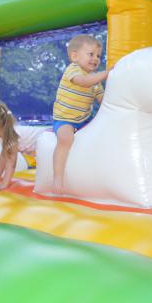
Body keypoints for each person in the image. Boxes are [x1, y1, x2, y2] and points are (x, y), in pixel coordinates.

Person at [51, 34, 107, 191]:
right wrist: (107, 73)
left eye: (98, 56)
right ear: (75, 56)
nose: (95, 59)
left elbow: (103, 101)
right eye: (91, 54)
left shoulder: (96, 81)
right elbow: (84, 82)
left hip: (84, 119)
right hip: (65, 119)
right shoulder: (73, 70)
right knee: (65, 138)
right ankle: (58, 179)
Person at [0, 99, 44, 190]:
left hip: (51, 141)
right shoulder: (4, 134)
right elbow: (3, 156)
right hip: (46, 146)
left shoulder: (11, 136)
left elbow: (11, 162)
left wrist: (4, 184)